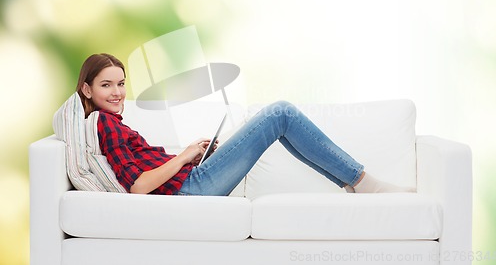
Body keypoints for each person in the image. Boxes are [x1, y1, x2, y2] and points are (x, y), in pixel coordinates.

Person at [77, 53, 413, 196]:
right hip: (191, 191)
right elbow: (138, 187)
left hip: (189, 181)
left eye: (121, 83)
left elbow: (144, 170)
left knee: (281, 120)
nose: (118, 92)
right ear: (86, 89)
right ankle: (365, 183)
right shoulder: (103, 124)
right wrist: (181, 158)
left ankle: (356, 184)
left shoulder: (113, 123)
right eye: (107, 85)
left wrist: (190, 154)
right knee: (280, 113)